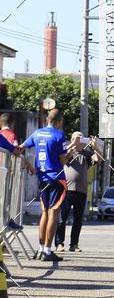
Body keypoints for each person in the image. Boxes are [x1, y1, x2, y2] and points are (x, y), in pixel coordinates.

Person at [19, 108, 68, 263]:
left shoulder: (37, 133)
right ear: (60, 120)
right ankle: (47, 249)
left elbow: (20, 148)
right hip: (57, 178)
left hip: (42, 178)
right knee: (54, 212)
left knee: (44, 212)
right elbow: (62, 161)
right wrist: (71, 152)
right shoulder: (59, 135)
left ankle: (41, 248)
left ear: (48, 119)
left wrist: (27, 164)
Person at [55, 133, 97, 253]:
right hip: (67, 190)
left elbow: (98, 158)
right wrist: (72, 145)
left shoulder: (86, 154)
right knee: (62, 219)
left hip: (81, 191)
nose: (78, 141)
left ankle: (74, 244)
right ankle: (59, 243)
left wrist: (95, 147)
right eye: (75, 138)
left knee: (78, 220)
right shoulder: (67, 151)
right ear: (71, 139)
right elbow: (62, 159)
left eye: (80, 138)